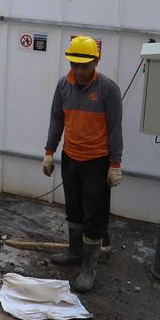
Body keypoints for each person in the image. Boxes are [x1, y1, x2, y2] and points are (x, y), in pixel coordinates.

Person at [41, 35, 123, 293]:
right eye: (74, 64)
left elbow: (115, 128)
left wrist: (115, 164)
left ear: (96, 62)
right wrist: (49, 151)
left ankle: (89, 267)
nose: (78, 70)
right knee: (73, 208)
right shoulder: (63, 86)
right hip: (71, 158)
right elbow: (56, 120)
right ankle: (75, 251)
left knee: (94, 215)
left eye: (84, 65)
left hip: (97, 162)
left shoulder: (108, 89)